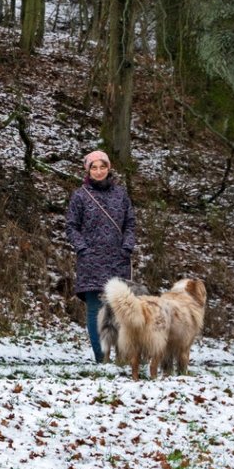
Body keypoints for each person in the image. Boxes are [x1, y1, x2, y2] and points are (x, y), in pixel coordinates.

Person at [66, 149, 136, 363]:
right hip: (91, 262)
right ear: (88, 170)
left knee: (119, 313)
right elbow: (71, 227)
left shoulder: (121, 194)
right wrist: (82, 249)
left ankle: (122, 357)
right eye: (93, 167)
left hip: (118, 261)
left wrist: (127, 247)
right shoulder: (79, 196)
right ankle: (101, 358)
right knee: (96, 312)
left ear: (109, 168)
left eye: (102, 166)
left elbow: (130, 223)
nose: (98, 171)